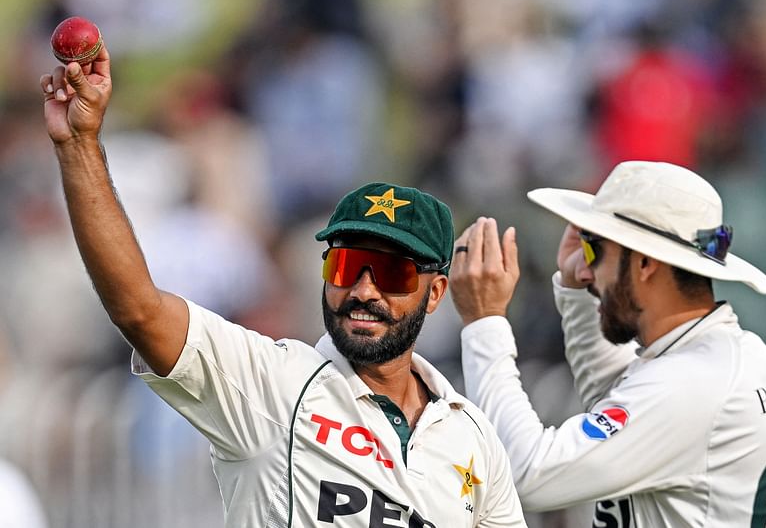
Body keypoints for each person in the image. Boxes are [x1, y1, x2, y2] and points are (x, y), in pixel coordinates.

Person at [40, 47, 525, 527]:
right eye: (347, 265)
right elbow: (138, 309)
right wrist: (79, 144)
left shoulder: (472, 437)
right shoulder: (272, 383)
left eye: (393, 274)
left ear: (436, 292)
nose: (363, 291)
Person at [450, 161, 766, 526]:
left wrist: (484, 322)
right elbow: (616, 396)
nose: (584, 268)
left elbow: (524, 473)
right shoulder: (727, 355)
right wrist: (576, 290)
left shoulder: (692, 382)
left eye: (594, 249)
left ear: (645, 263)